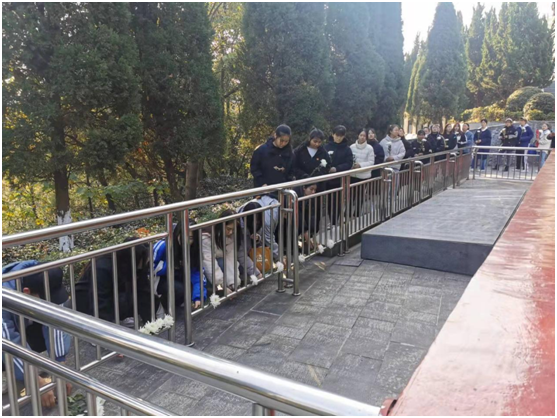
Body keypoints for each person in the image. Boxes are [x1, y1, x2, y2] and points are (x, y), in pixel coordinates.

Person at [2, 261, 72, 408]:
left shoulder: (43, 274)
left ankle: (21, 368)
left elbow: (55, 322)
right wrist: (35, 381)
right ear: (26, 292)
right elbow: (7, 341)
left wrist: (60, 368)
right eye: (45, 300)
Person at [75, 237, 155, 326]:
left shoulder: (135, 265)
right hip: (86, 303)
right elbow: (100, 305)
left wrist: (152, 323)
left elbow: (144, 291)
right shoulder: (102, 268)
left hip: (112, 296)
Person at [201, 210, 262, 293]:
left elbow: (232, 259)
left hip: (218, 266)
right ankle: (212, 288)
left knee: (236, 265)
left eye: (233, 229)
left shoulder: (232, 235)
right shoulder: (206, 238)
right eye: (228, 229)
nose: (230, 232)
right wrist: (222, 286)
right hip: (203, 269)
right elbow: (209, 264)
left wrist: (233, 284)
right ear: (221, 225)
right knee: (221, 262)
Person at [153, 221, 207, 311]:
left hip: (179, 279)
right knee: (180, 289)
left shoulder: (194, 250)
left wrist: (198, 297)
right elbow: (149, 268)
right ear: (177, 234)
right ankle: (161, 304)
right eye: (182, 236)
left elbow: (198, 275)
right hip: (158, 280)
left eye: (190, 238)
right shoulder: (163, 245)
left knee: (192, 288)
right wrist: (171, 265)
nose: (186, 241)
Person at [237, 194, 281, 263]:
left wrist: (257, 239)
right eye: (255, 221)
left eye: (258, 220)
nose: (257, 222)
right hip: (241, 255)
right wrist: (279, 257)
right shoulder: (238, 224)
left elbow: (262, 238)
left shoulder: (264, 217)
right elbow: (241, 253)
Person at [250, 124, 294, 189]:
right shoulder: (261, 150)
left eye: (286, 141)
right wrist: (261, 183)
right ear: (275, 135)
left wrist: (289, 182)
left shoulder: (289, 153)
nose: (283, 143)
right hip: (264, 189)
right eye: (281, 140)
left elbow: (291, 171)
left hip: (282, 190)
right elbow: (254, 168)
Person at [350, 129, 376, 217]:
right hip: (353, 174)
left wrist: (360, 165)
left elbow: (371, 162)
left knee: (360, 195)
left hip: (364, 175)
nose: (362, 137)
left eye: (364, 136)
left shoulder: (369, 148)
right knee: (351, 195)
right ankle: (348, 212)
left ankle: (357, 213)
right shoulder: (352, 147)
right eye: (361, 135)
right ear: (358, 136)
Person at [292, 179, 320, 253]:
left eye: (315, 190)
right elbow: (299, 215)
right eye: (311, 189)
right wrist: (306, 233)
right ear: (304, 188)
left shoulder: (311, 197)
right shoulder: (294, 195)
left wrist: (313, 234)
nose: (313, 192)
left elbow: (312, 214)